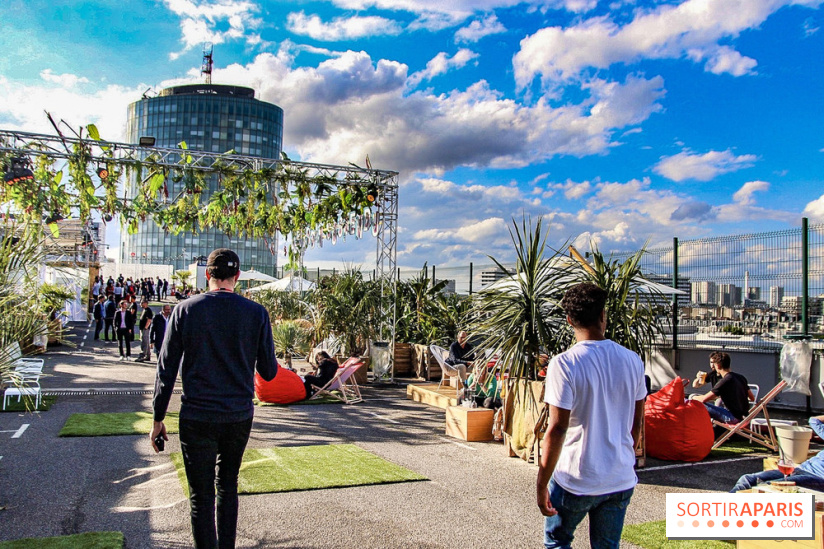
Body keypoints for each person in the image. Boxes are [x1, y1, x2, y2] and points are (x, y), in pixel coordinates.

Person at [151, 248, 278, 549]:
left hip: (197, 415)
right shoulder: (256, 313)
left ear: (207, 274)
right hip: (238, 414)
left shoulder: (185, 310)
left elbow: (166, 369)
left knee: (201, 496)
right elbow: (269, 372)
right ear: (237, 276)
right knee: (228, 487)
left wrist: (158, 418)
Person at [537, 283, 646, 549]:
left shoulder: (564, 363)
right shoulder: (632, 360)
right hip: (619, 477)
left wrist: (541, 483)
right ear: (603, 315)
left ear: (569, 320)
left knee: (557, 542)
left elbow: (557, 428)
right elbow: (637, 421)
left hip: (576, 477)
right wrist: (624, 454)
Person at [731, 415, 824, 492]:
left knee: (768, 486)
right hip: (801, 469)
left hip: (818, 478)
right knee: (747, 479)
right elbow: (814, 420)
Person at [693, 351, 754, 424]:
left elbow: (703, 399)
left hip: (732, 417)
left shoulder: (724, 381)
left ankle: (699, 426)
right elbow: (752, 398)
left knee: (696, 402)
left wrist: (692, 398)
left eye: (714, 364)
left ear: (718, 366)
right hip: (745, 417)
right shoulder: (741, 377)